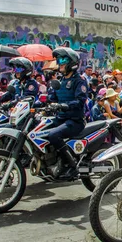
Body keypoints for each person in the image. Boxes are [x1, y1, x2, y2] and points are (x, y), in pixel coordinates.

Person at [46, 47, 88, 180]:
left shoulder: (79, 80)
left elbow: (80, 101)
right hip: (61, 119)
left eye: (63, 59)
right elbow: (52, 98)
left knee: (53, 135)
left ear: (72, 62)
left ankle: (71, 166)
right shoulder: (60, 81)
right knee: (38, 129)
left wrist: (65, 105)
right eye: (58, 59)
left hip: (74, 120)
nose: (60, 62)